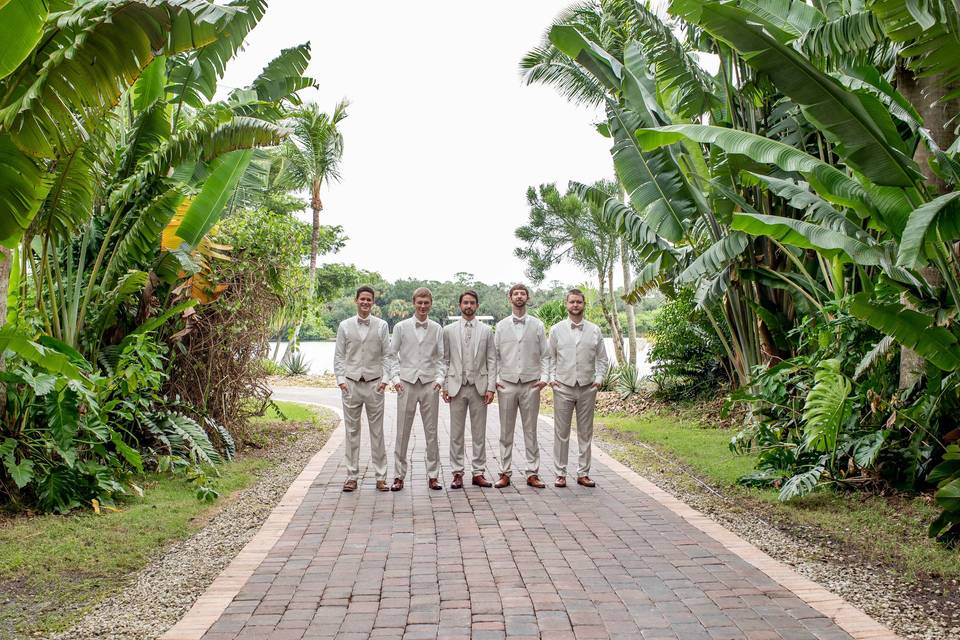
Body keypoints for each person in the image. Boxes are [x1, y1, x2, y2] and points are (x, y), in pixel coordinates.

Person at [333, 286, 393, 492]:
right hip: (350, 384)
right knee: (351, 432)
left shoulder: (382, 325)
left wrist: (385, 380)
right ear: (356, 301)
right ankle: (351, 476)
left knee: (377, 432)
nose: (365, 303)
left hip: (375, 384)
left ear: (373, 303)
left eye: (369, 300)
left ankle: (381, 476)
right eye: (362, 299)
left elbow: (388, 355)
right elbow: (340, 355)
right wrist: (341, 380)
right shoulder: (345, 325)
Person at [549, 288, 609, 488]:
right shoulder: (556, 329)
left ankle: (583, 473)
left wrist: (599, 379)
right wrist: (552, 379)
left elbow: (602, 359)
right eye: (572, 302)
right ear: (566, 305)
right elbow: (549, 357)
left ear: (584, 305)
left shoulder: (595, 330)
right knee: (561, 432)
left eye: (579, 302)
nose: (575, 305)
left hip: (587, 387)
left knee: (585, 432)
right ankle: (560, 473)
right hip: (563, 386)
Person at [493, 283, 549, 488]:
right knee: (505, 431)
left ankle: (532, 472)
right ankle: (504, 472)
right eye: (515, 294)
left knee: (531, 430)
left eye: (522, 293)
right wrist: (496, 380)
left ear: (527, 297)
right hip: (506, 384)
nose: (519, 296)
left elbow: (546, 355)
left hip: (531, 384)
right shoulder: (500, 326)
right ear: (510, 298)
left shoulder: (537, 325)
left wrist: (544, 378)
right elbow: (495, 356)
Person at [390, 287, 445, 491]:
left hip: (430, 384)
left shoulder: (437, 328)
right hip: (406, 384)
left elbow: (442, 358)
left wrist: (439, 379)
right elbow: (391, 355)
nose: (423, 306)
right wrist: (395, 379)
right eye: (419, 302)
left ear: (431, 304)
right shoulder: (401, 327)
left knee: (431, 432)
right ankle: (398, 476)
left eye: (426, 303)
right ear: (413, 303)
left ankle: (433, 476)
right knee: (402, 432)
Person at [441, 290, 496, 489]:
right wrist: (445, 385)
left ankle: (478, 472)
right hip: (456, 386)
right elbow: (445, 360)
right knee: (456, 433)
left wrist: (491, 387)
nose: (469, 306)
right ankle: (457, 472)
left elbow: (492, 360)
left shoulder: (487, 331)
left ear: (477, 306)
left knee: (479, 432)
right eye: (465, 302)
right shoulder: (448, 330)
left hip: (479, 387)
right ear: (460, 305)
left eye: (472, 302)